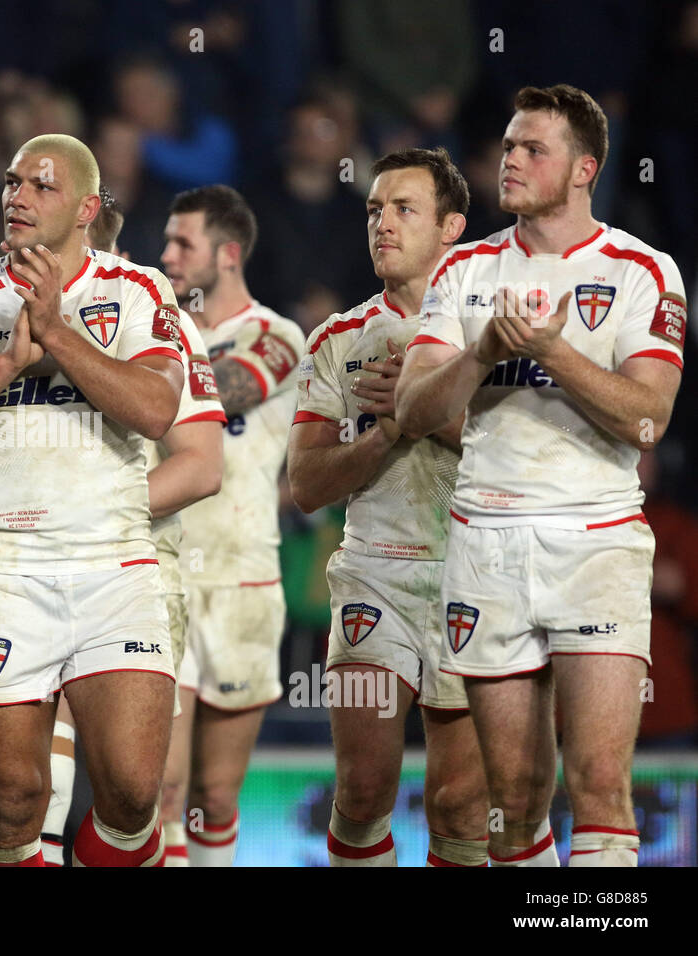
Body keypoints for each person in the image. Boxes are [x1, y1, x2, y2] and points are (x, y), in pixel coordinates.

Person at [396, 85, 686, 866]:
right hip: (485, 543)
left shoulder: (642, 270)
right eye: (510, 145)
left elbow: (648, 418)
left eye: (535, 149)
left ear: (585, 168)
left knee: (598, 781)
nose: (512, 160)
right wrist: (482, 353)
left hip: (595, 540)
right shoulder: (462, 271)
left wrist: (554, 352)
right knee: (515, 797)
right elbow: (415, 413)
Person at [0, 191, 225, 866]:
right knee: (24, 801)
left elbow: (200, 464)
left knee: (139, 795)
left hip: (131, 567)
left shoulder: (152, 316)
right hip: (13, 571)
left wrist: (83, 513)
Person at [289, 147, 489, 866]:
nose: (383, 223)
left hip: (477, 577)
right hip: (375, 576)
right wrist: (386, 435)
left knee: (462, 802)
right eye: (375, 209)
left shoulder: (491, 333)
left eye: (405, 209)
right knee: (366, 787)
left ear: (451, 227)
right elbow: (307, 484)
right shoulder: (339, 340)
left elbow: (524, 459)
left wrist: (422, 408)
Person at [159, 184, 306, 866]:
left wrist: (144, 359)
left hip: (246, 580)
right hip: (164, 576)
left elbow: (223, 392)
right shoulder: (154, 331)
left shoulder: (277, 336)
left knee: (215, 797)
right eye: (164, 242)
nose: (167, 256)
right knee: (162, 789)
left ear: (228, 253)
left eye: (182, 243)